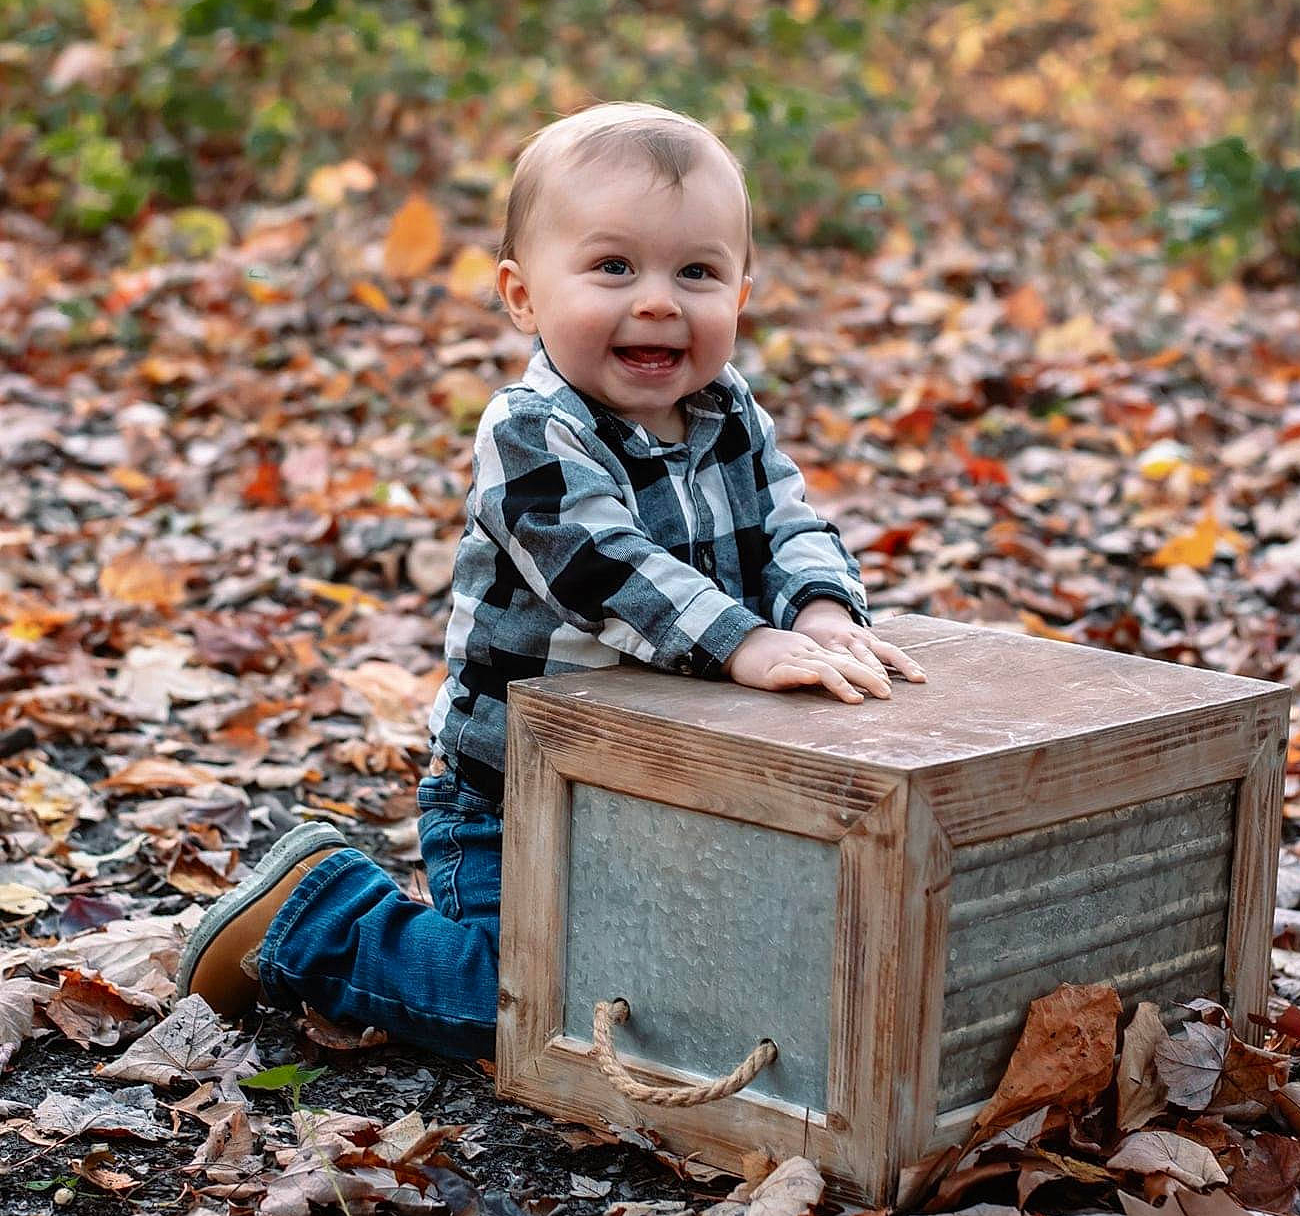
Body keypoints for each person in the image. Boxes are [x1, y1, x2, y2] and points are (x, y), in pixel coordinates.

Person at [178, 103, 925, 1054]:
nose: (657, 301)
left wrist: (818, 610)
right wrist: (744, 641)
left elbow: (790, 520)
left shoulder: (728, 411)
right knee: (534, 1007)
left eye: (696, 272)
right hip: (515, 798)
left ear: (741, 293)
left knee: (684, 989)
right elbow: (603, 569)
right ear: (523, 295)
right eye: (613, 267)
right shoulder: (533, 428)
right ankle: (322, 921)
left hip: (658, 786)